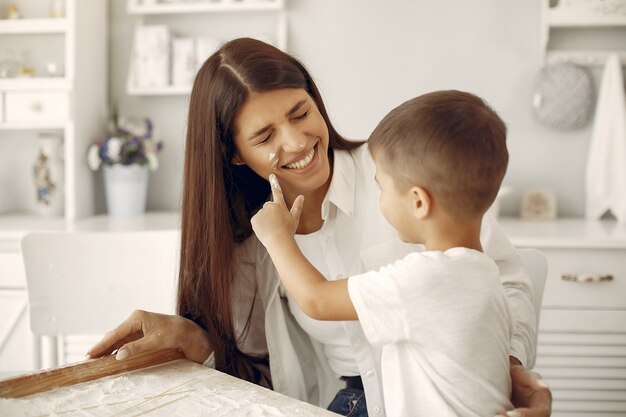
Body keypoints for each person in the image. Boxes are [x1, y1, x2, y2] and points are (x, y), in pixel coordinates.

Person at [87, 37, 552, 417]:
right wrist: (200, 340)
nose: (296, 142)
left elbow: (506, 281)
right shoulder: (245, 242)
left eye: (300, 113)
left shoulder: (403, 176)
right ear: (233, 153)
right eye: (265, 136)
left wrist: (504, 369)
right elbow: (254, 367)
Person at [251, 90, 514, 416]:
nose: (379, 199)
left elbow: (316, 300)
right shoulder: (483, 273)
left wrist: (278, 239)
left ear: (418, 202)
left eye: (382, 186)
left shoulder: (420, 280)